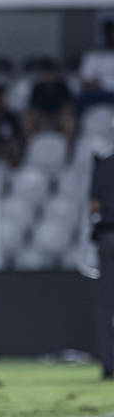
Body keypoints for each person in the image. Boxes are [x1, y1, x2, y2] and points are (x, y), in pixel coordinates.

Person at [91, 140, 114, 380]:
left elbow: (94, 205)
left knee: (107, 305)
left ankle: (109, 365)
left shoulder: (103, 164)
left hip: (107, 237)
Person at [25, 60, 75, 140]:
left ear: (55, 74)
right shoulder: (37, 88)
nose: (48, 76)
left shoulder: (62, 87)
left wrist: (60, 115)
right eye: (45, 73)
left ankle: (66, 146)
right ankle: (32, 145)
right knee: (28, 120)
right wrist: (41, 117)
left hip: (58, 116)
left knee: (69, 121)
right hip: (42, 116)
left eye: (50, 73)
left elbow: (67, 105)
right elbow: (33, 107)